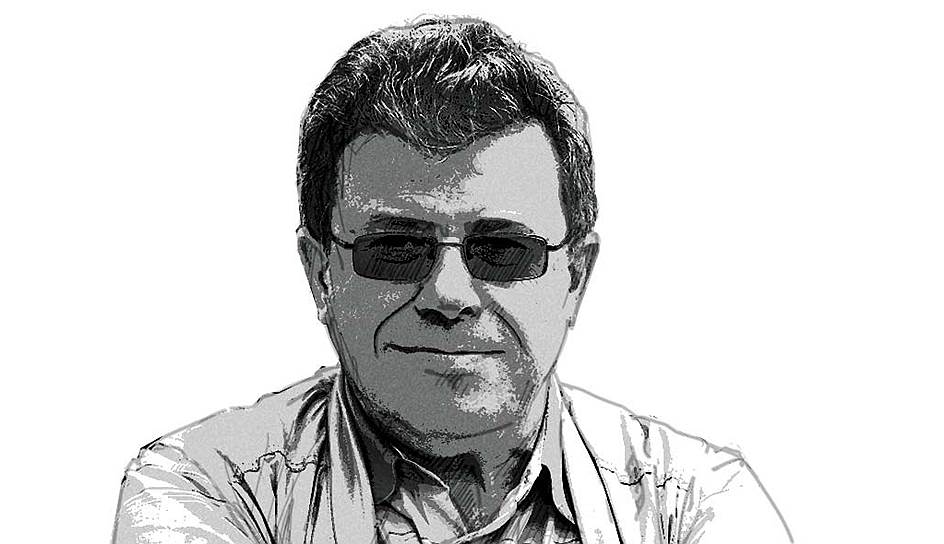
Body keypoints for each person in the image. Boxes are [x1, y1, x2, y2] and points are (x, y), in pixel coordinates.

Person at [112, 16, 792, 544]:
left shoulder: (694, 500)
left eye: (501, 250)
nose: (449, 294)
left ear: (575, 278)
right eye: (396, 248)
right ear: (320, 274)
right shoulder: (206, 486)